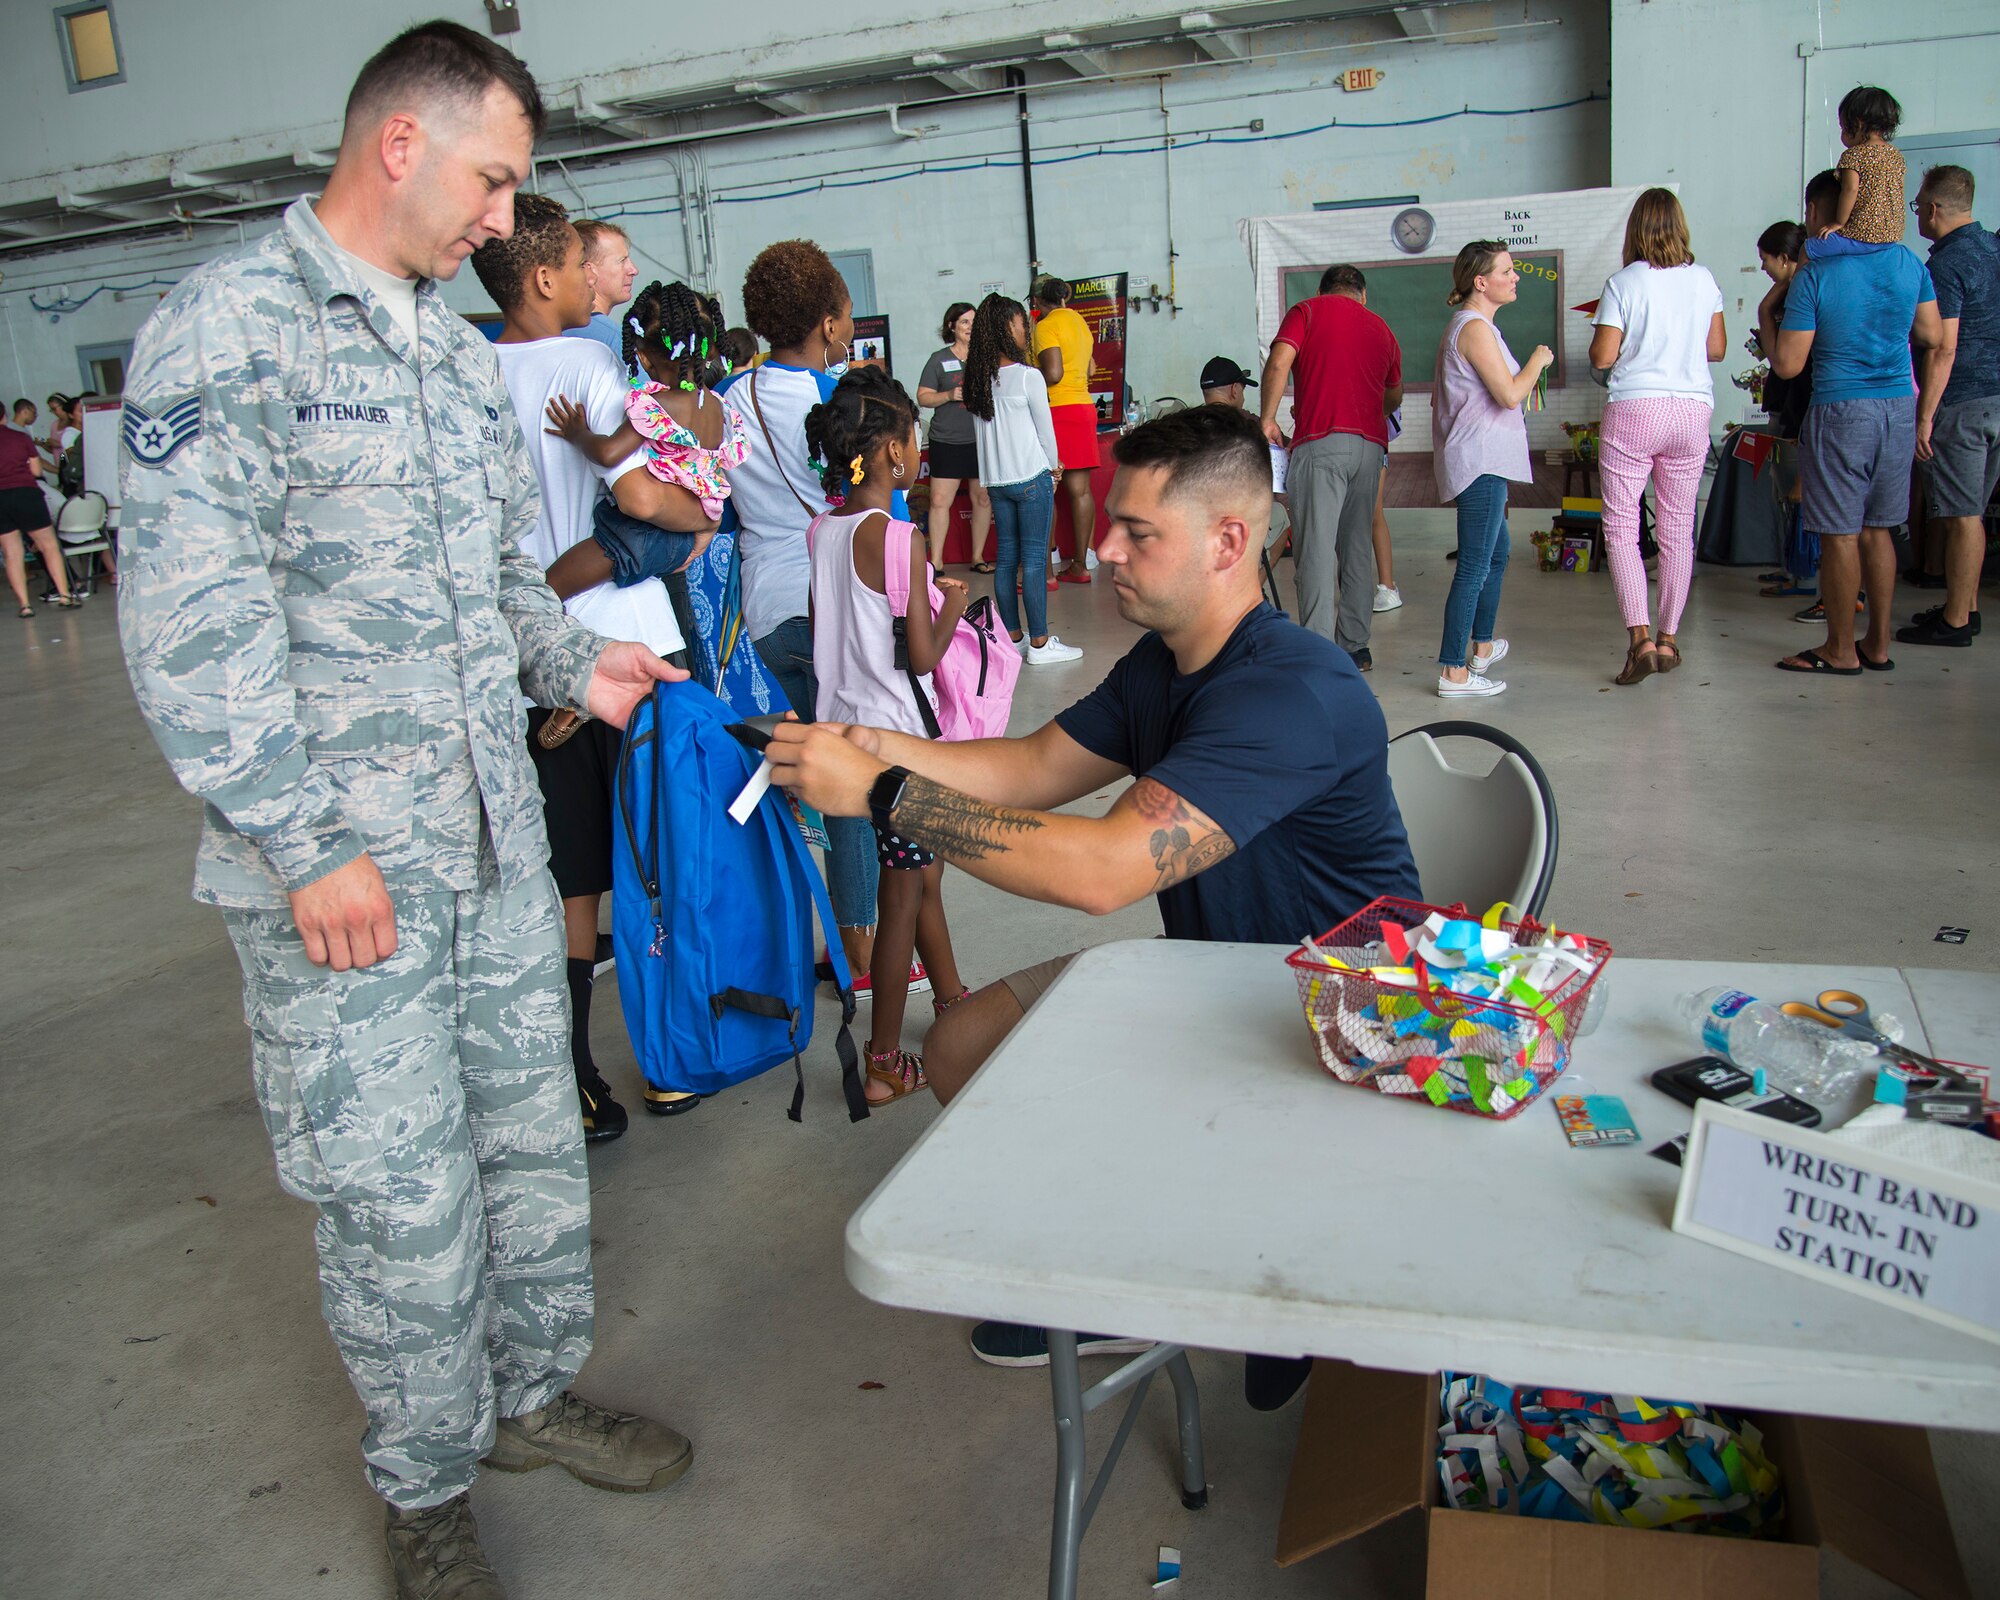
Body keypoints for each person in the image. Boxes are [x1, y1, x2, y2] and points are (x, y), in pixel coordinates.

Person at [116, 24, 694, 1599]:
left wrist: (587, 657)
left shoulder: (448, 350)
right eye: (495, 180)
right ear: (401, 144)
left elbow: (502, 584)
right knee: (398, 1191)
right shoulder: (227, 332)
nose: (507, 222)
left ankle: (522, 1396)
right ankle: (424, 1483)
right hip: (344, 874)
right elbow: (189, 628)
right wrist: (307, 842)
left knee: (524, 1150)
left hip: (496, 844)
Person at [761, 403, 1418, 1405]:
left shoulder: (1291, 693)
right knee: (956, 1045)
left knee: (1000, 1051)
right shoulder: (1166, 662)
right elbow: (1026, 767)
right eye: (1112, 522)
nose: (1104, 547)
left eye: (1138, 533)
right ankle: (1124, 1271)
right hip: (1214, 981)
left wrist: (885, 795)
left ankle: (1253, 1253)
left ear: (1229, 540)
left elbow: (1103, 870)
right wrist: (866, 747)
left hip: (1335, 1024)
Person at [475, 194, 713, 1135]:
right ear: (544, 279)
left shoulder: (467, 375)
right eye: (581, 267)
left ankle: (576, 1081)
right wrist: (696, 511)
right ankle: (667, 1062)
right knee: (658, 862)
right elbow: (657, 501)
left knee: (573, 875)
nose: (594, 283)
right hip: (630, 648)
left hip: (534, 662)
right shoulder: (590, 365)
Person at [716, 238, 891, 995]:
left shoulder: (726, 396)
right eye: (847, 318)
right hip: (832, 606)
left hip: (764, 612)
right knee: (850, 784)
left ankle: (807, 937)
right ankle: (862, 957)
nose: (850, 332)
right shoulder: (842, 400)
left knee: (797, 777)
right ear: (825, 323)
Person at [803, 367, 971, 1103]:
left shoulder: (822, 529)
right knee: (903, 891)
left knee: (921, 873)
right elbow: (925, 655)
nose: (916, 450)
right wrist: (956, 603)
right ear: (891, 454)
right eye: (910, 437)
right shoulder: (900, 537)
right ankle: (882, 1064)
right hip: (902, 743)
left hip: (845, 737)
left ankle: (955, 999)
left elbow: (825, 630)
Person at [1770, 169, 1942, 675]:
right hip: (1898, 406)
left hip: (1843, 408)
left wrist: (1769, 314)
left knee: (1840, 533)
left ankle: (1840, 650)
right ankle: (1878, 645)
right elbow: (1931, 334)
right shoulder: (1908, 262)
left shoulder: (1815, 275)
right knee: (1880, 528)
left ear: (1820, 213)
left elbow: (1787, 365)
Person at [1588, 188, 1726, 684]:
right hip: (1692, 411)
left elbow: (1603, 357)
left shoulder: (1624, 282)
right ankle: (1669, 640)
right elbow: (1716, 348)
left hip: (1637, 410)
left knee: (1623, 526)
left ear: (1635, 230)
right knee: (1677, 527)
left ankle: (1639, 641)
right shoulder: (1703, 278)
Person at [1257, 263, 1403, 672]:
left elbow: (1279, 361)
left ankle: (1318, 652)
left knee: (1317, 549)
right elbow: (1395, 395)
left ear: (1324, 291)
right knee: (1356, 545)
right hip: (1371, 449)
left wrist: (1268, 417)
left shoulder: (1307, 311)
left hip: (1321, 443)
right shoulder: (1382, 329)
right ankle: (1355, 647)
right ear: (1362, 295)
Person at [1431, 242, 1551, 698]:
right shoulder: (1475, 328)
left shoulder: (1478, 326)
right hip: (1479, 462)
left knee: (1496, 555)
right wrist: (1538, 361)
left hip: (1486, 460)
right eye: (1507, 271)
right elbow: (1508, 394)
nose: (1516, 277)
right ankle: (1453, 672)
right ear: (1481, 282)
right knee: (1476, 565)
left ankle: (1481, 647)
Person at [1902, 164, 1997, 650]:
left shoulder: (1943, 265)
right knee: (1973, 513)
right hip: (1998, 399)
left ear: (1933, 210)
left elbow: (1944, 346)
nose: (1917, 214)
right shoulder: (1996, 249)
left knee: (1962, 515)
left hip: (1963, 402)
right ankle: (1968, 608)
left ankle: (1956, 622)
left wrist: (1925, 415)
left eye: (1918, 207)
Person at [964, 293, 1081, 664]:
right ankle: (1041, 644)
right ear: (1005, 329)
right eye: (1019, 323)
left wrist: (989, 476)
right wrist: (1055, 465)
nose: (1024, 329)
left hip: (997, 481)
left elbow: (982, 436)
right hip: (1032, 477)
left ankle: (1013, 637)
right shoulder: (1028, 376)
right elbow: (1044, 431)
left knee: (1006, 558)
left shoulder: (978, 380)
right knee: (1033, 560)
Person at [1751, 221, 1819, 600]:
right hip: (1783, 404)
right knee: (1785, 493)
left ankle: (1805, 577)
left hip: (1799, 406)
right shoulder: (1787, 295)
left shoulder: (1800, 296)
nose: (1763, 268)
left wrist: (1765, 311)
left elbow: (1789, 364)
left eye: (1766, 260)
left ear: (1784, 257)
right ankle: (1792, 568)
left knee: (1799, 495)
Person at [1032, 276, 1102, 582]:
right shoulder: (1079, 322)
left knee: (1048, 489)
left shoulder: (1045, 326)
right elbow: (1091, 369)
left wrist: (1028, 377)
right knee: (1080, 490)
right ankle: (1081, 565)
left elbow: (1054, 373)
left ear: (1036, 301)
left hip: (1056, 410)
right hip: (1084, 407)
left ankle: (1047, 572)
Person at [916, 302, 993, 572]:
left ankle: (978, 557)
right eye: (964, 322)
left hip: (981, 440)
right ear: (952, 326)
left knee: (983, 499)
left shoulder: (986, 358)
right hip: (947, 440)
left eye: (974, 322)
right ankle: (936, 561)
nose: (970, 327)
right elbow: (923, 397)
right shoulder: (939, 359)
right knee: (939, 501)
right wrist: (949, 395)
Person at [1813, 87, 1906, 254]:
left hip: (1862, 235)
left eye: (1843, 128)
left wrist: (1839, 223)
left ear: (1858, 123)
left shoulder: (1853, 155)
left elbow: (1850, 189)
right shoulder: (1895, 154)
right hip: (1892, 236)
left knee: (1810, 249)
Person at [0, 421, 78, 616]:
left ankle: (25, 606)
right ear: (4, 417)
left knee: (12, 553)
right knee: (49, 545)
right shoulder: (20, 437)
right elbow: (36, 471)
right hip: (26, 494)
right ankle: (64, 595)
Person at [562, 218, 639, 358]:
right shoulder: (613, 339)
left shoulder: (555, 331)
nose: (633, 270)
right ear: (587, 268)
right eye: (622, 261)